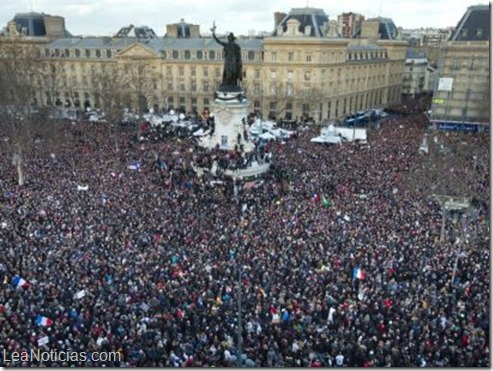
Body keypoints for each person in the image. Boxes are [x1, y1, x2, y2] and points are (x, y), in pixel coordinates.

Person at [211, 23, 242, 90]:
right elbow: (219, 42)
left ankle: (232, 83)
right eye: (229, 38)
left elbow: (239, 56)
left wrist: (239, 63)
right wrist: (214, 35)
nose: (229, 39)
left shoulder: (236, 46)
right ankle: (228, 83)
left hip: (232, 60)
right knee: (228, 71)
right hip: (228, 60)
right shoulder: (228, 45)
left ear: (232, 39)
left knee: (233, 71)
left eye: (230, 38)